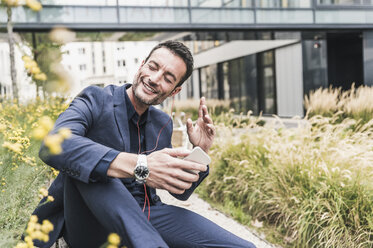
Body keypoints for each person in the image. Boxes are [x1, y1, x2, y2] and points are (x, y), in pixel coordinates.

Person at [30, 40, 256, 248]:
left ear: (174, 91)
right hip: (90, 220)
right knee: (95, 167)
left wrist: (199, 152)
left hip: (149, 212)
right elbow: (53, 145)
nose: (155, 79)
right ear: (141, 66)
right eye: (153, 67)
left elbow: (180, 193)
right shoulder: (95, 99)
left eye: (168, 78)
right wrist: (141, 166)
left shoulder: (163, 123)